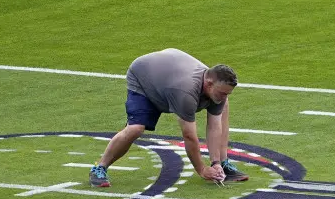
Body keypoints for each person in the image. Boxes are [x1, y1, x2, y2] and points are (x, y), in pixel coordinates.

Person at [89, 48, 248, 187]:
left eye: (228, 93)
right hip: (144, 78)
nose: (224, 96)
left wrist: (215, 163)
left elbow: (214, 126)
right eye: (222, 93)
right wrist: (202, 170)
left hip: (167, 75)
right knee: (136, 128)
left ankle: (223, 163)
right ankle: (99, 168)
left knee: (223, 106)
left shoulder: (216, 89)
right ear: (209, 83)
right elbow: (189, 135)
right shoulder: (186, 92)